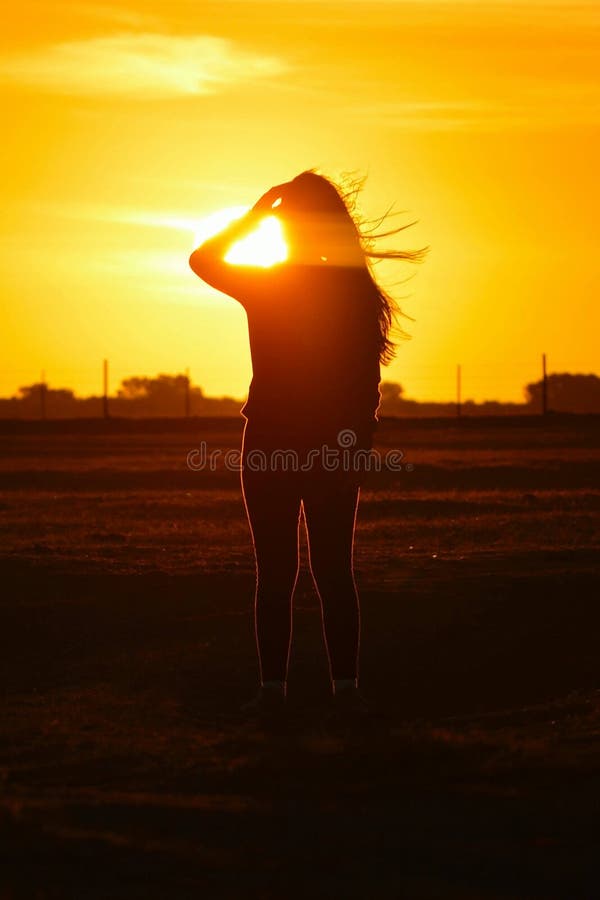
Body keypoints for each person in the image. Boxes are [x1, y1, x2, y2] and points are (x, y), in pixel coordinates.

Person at [189, 171, 423, 716]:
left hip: (272, 441)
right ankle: (343, 690)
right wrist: (357, 444)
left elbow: (203, 259)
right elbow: (369, 385)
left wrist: (254, 213)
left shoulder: (270, 282)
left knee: (279, 573)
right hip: (326, 447)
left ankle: (276, 693)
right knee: (331, 570)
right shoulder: (352, 289)